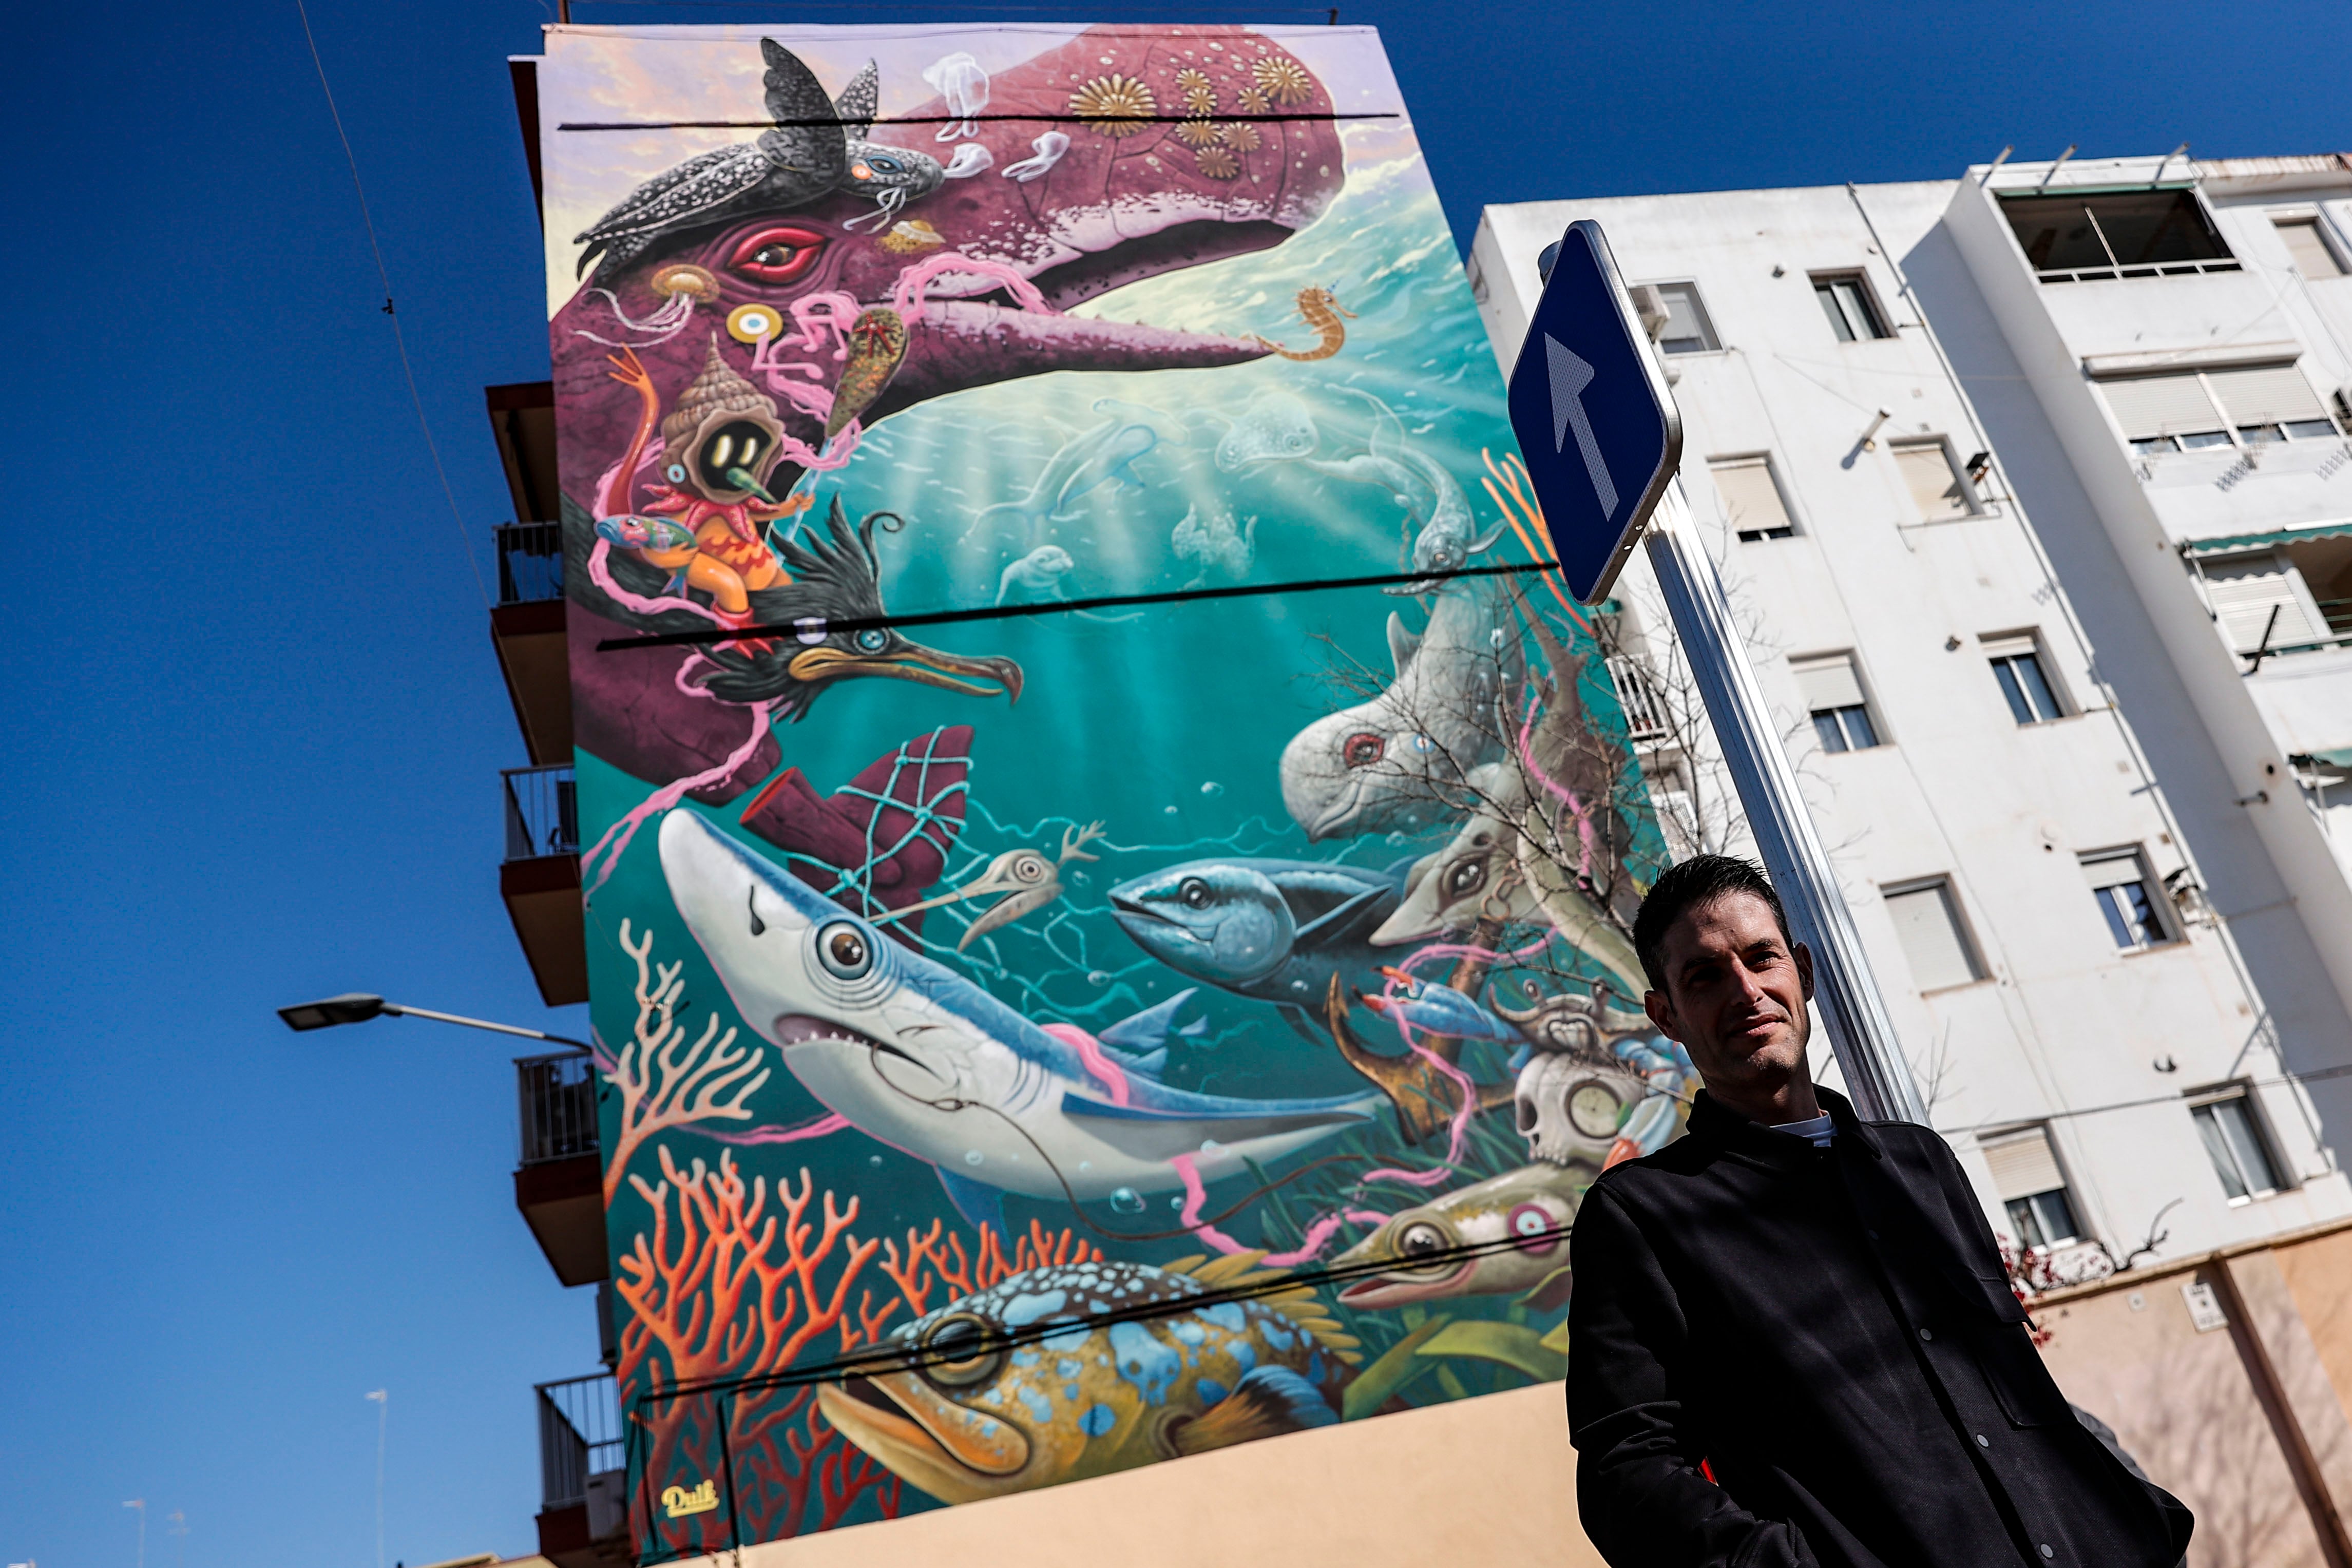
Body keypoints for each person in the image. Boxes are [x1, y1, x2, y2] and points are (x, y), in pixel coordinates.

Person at [1566, 854, 2192, 1568]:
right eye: (1704, 976)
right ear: (1665, 1015)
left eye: (1760, 957)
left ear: (1800, 969)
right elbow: (1628, 1472)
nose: (1745, 990)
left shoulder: (1919, 1165)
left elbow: (2021, 1393)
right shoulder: (1641, 1215)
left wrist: (2136, 1518)